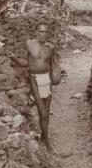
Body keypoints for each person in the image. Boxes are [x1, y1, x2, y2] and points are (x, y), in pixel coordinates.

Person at [10, 23, 60, 151]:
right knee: (42, 112)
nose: (43, 34)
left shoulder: (51, 47)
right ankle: (48, 141)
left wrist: (56, 76)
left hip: (46, 79)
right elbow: (26, 62)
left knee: (47, 111)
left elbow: (54, 65)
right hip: (34, 79)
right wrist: (13, 58)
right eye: (40, 32)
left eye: (45, 32)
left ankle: (44, 134)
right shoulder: (29, 44)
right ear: (36, 32)